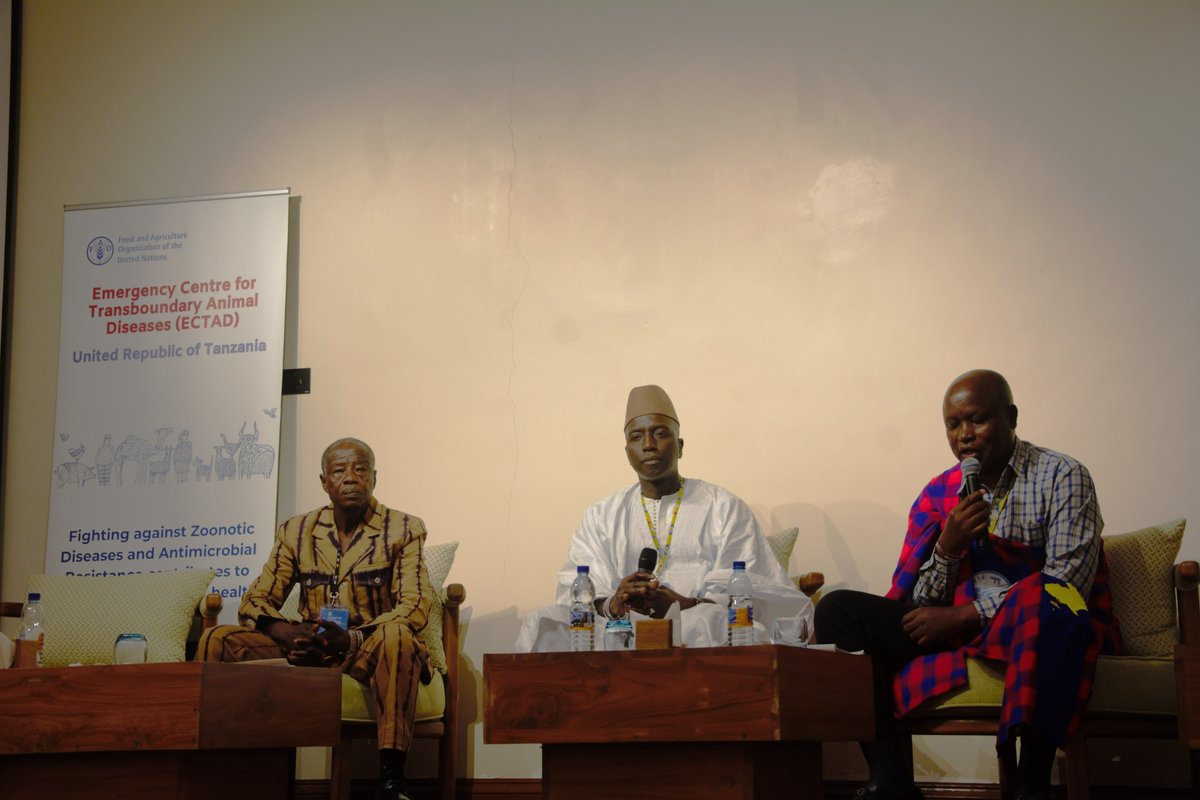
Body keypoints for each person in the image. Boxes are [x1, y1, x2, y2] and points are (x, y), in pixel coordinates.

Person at [815, 370, 1119, 800]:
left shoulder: (1063, 475)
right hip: (956, 623)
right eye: (953, 425)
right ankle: (890, 779)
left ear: (1011, 417)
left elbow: (1067, 584)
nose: (965, 436)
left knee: (1046, 601)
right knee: (836, 610)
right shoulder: (938, 493)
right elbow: (919, 599)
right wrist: (949, 546)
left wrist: (963, 615)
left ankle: (1031, 783)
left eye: (977, 420)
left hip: (1032, 623)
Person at [197, 437, 433, 800]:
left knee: (398, 635)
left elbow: (415, 606)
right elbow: (255, 600)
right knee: (218, 639)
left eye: (360, 469)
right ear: (324, 482)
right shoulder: (297, 531)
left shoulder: (404, 528)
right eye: (339, 471)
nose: (351, 478)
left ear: (374, 477)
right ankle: (219, 773)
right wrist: (287, 632)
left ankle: (391, 780)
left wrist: (352, 638)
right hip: (309, 649)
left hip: (366, 649)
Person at [516, 385, 810, 651]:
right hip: (619, 625)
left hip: (696, 621)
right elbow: (575, 589)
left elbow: (749, 587)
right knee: (542, 621)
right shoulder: (601, 515)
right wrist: (613, 602)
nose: (648, 445)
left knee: (708, 621)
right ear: (628, 452)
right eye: (637, 437)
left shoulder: (724, 506)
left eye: (659, 433)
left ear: (680, 446)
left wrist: (684, 604)